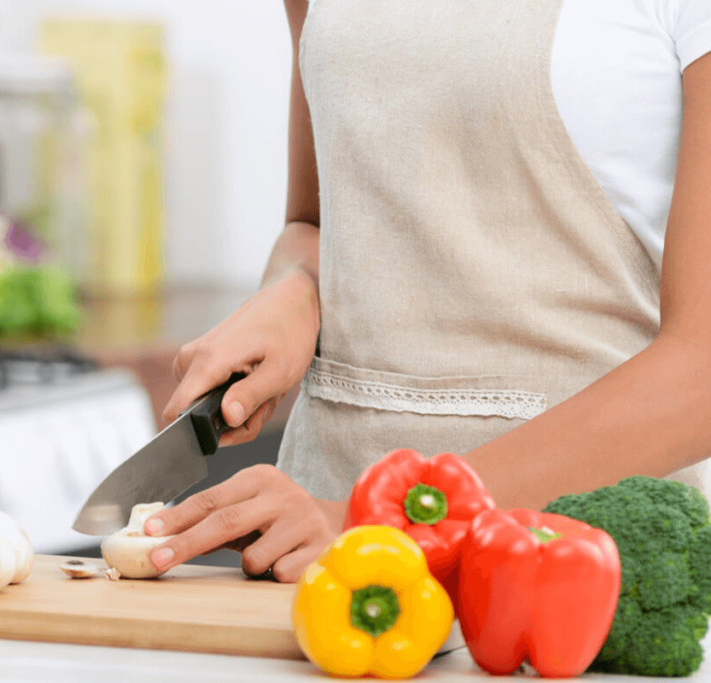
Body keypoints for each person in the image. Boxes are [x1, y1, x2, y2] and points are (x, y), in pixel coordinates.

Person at [142, 0, 711, 583]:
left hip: (570, 576)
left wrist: (381, 524)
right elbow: (317, 223)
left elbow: (701, 374)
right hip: (322, 569)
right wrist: (295, 289)